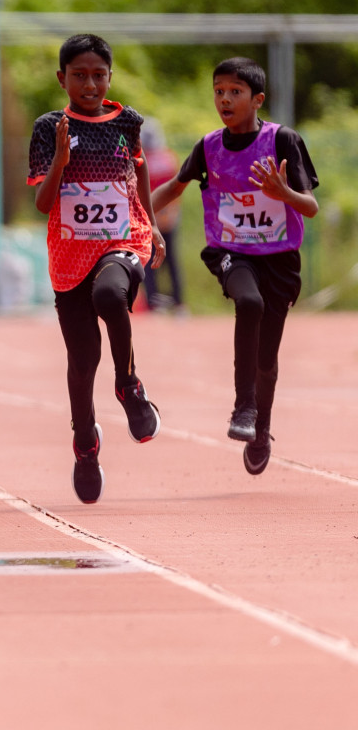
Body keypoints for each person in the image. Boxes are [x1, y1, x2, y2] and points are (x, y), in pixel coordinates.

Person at [150, 57, 318, 474]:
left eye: (235, 92)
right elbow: (172, 187)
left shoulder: (283, 142)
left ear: (257, 99)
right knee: (249, 302)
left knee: (268, 358)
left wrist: (282, 193)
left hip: (279, 259)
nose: (225, 99)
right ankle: (243, 410)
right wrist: (135, 219)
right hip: (232, 250)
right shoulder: (209, 147)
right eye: (219, 91)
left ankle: (261, 427)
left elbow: (310, 207)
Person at [28, 34, 167, 505]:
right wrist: (61, 163)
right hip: (69, 256)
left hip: (123, 240)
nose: (89, 84)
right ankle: (85, 444)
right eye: (79, 75)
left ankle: (129, 385)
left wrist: (151, 224)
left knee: (112, 295)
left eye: (98, 75)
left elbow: (140, 171)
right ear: (62, 78)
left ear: (110, 76)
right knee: (82, 362)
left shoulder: (127, 122)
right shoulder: (50, 127)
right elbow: (43, 203)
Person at [140, 118, 184, 310]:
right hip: (171, 216)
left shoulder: (142, 160)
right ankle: (178, 302)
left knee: (150, 261)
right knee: (172, 259)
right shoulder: (169, 157)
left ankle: (153, 303)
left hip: (150, 218)